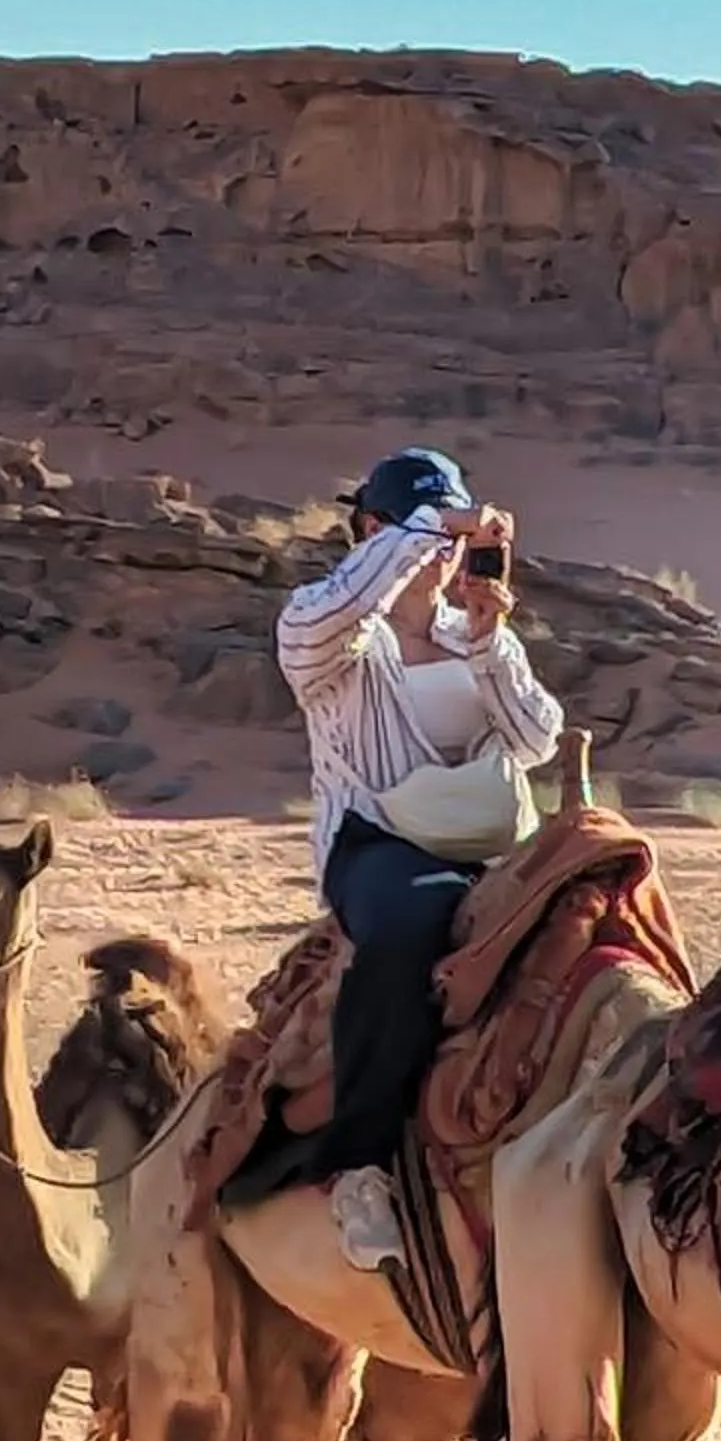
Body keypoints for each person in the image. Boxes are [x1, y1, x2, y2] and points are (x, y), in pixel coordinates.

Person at [224, 446, 564, 1271]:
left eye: (456, 536)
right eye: (430, 534)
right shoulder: (330, 634)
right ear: (375, 531)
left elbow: (537, 740)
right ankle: (362, 1166)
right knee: (413, 922)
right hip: (376, 842)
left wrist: (488, 639)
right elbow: (330, 613)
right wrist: (428, 528)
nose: (447, 556)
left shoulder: (475, 635)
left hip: (489, 845)